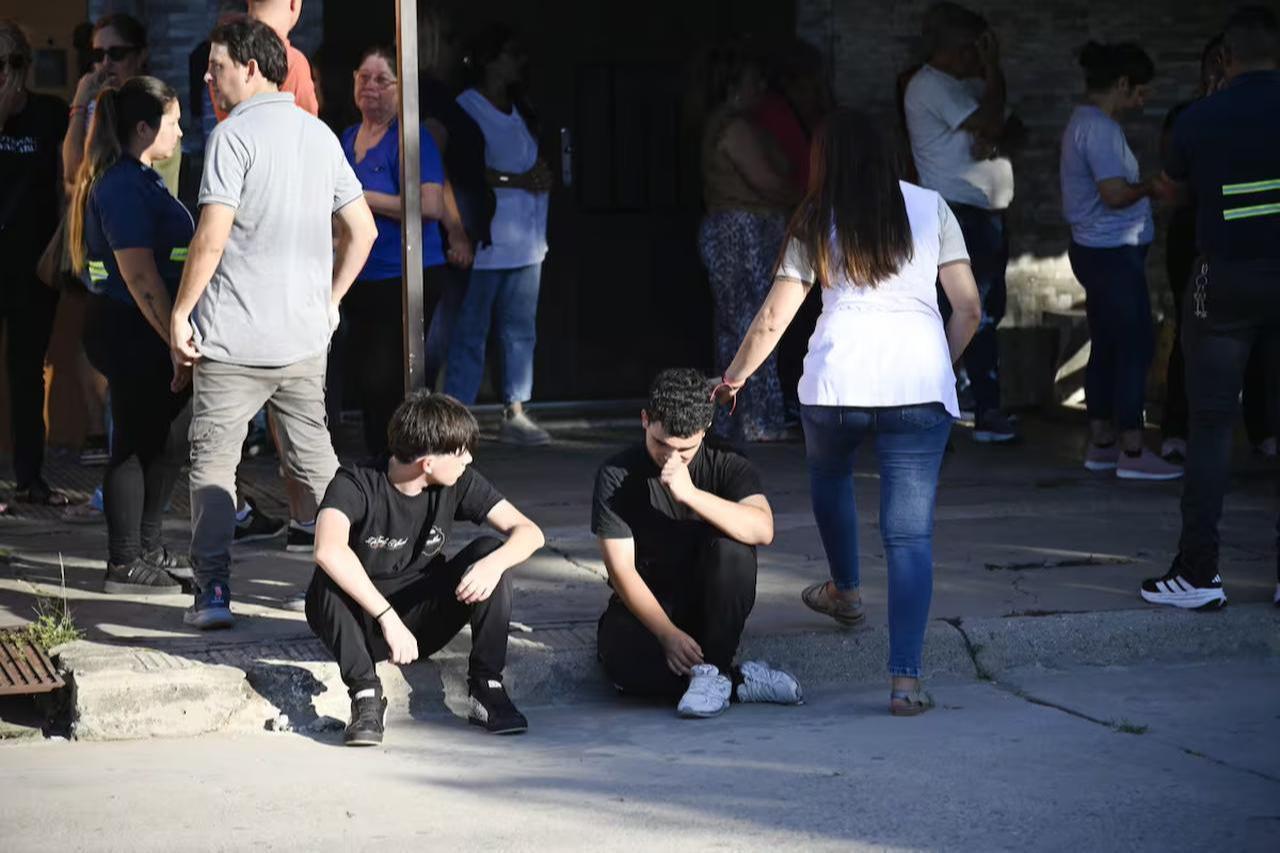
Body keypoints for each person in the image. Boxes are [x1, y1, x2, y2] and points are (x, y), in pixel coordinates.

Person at [717, 108, 983, 715]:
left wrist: (732, 380)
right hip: (919, 387)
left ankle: (846, 590)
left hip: (835, 384)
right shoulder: (932, 207)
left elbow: (772, 319)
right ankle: (905, 684)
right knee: (909, 535)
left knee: (830, 476)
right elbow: (967, 308)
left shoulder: (817, 217)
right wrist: (938, 360)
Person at [170, 18, 377, 629]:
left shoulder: (232, 137)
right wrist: (331, 299)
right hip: (302, 340)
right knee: (317, 466)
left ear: (252, 68)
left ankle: (212, 594)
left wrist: (181, 312)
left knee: (212, 464)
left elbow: (210, 236)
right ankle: (369, 574)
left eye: (217, 65)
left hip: (234, 339)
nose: (208, 76)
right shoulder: (319, 136)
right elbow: (362, 230)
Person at [307, 390, 544, 745]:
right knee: (327, 578)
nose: (468, 459)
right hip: (363, 626)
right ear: (427, 462)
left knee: (490, 551)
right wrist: (387, 618)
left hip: (421, 621)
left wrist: (493, 565)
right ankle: (365, 694)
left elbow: (530, 532)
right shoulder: (354, 483)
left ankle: (486, 687)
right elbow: (327, 549)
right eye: (459, 451)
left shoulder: (459, 482)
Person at [1141, 6, 1280, 611]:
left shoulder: (1201, 118)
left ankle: (1198, 573)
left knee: (1211, 425)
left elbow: (1172, 190)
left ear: (1224, 58)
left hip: (1223, 280)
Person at [593, 368, 803, 718]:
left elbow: (762, 529)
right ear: (645, 420)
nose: (670, 457)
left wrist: (691, 494)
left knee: (734, 549)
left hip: (712, 606)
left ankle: (715, 669)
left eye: (685, 450)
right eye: (661, 444)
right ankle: (734, 680)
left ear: (704, 432)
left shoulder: (728, 463)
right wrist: (667, 635)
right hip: (651, 607)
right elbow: (621, 570)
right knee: (622, 663)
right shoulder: (616, 474)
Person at [67, 76, 194, 594]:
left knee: (166, 439)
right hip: (130, 327)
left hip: (146, 328)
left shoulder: (142, 177)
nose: (181, 131)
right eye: (173, 121)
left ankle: (146, 546)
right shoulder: (120, 184)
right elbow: (139, 275)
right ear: (143, 128)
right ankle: (123, 561)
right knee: (136, 443)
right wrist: (173, 337)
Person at [1060, 43, 1182, 481]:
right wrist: (1150, 187)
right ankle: (1132, 447)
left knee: (1110, 343)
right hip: (1111, 253)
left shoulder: (1086, 122)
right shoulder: (1100, 130)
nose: (1143, 101)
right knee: (1135, 345)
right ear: (1122, 85)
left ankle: (1103, 442)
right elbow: (1113, 195)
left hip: (1101, 251)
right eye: (1141, 92)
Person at [904, 2, 1018, 444]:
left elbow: (996, 130)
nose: (981, 58)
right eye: (977, 49)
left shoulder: (958, 87)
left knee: (983, 310)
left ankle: (966, 399)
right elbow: (992, 122)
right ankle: (982, 411)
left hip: (976, 215)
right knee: (973, 311)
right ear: (957, 48)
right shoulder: (931, 87)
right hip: (956, 214)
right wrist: (993, 69)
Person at [1160, 37, 1275, 463]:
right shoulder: (1191, 117)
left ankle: (1261, 427)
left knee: (1260, 338)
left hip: (1249, 244)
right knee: (1190, 332)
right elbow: (1173, 180)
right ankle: (1177, 425)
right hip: (1199, 239)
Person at [443, 24, 554, 447]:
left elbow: (529, 163)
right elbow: (463, 169)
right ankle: (455, 416)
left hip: (528, 241)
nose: (516, 64)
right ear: (489, 61)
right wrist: (517, 178)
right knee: (471, 330)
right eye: (509, 55)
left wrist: (538, 177)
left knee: (520, 331)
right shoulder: (467, 107)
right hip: (487, 242)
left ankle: (516, 411)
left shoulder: (519, 106)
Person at [341, 45, 451, 456]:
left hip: (405, 276)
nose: (370, 87)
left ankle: (400, 464)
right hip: (358, 277)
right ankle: (379, 464)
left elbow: (431, 206)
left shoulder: (412, 137)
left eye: (381, 79)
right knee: (366, 381)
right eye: (363, 77)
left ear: (401, 88)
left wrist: (361, 196)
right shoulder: (348, 138)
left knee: (388, 380)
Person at [693, 43, 800, 443]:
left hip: (743, 230)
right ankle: (758, 419)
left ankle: (730, 419)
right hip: (742, 234)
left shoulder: (731, 123)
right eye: (756, 81)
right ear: (736, 85)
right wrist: (799, 197)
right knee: (753, 325)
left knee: (736, 326)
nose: (762, 89)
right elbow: (767, 182)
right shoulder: (734, 127)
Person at [0, 19, 70, 507]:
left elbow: (68, 184)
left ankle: (30, 477)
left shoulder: (48, 115)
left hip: (32, 268)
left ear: (21, 68)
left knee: (27, 372)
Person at [418, 3, 486, 385]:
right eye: (451, 41)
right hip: (445, 237)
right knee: (435, 336)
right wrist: (456, 228)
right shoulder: (432, 97)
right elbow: (431, 163)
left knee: (438, 333)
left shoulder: (433, 94)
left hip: (448, 232)